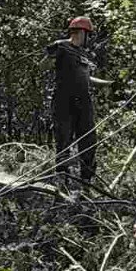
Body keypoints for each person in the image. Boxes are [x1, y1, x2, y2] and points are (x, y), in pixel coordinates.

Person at [46, 16, 99, 187]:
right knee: (63, 140)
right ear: (82, 32)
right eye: (88, 35)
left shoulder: (83, 54)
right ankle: (61, 182)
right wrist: (52, 51)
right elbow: (46, 64)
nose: (89, 39)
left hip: (83, 102)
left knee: (89, 140)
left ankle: (86, 182)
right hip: (64, 102)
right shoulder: (62, 47)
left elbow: (84, 77)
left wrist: (102, 83)